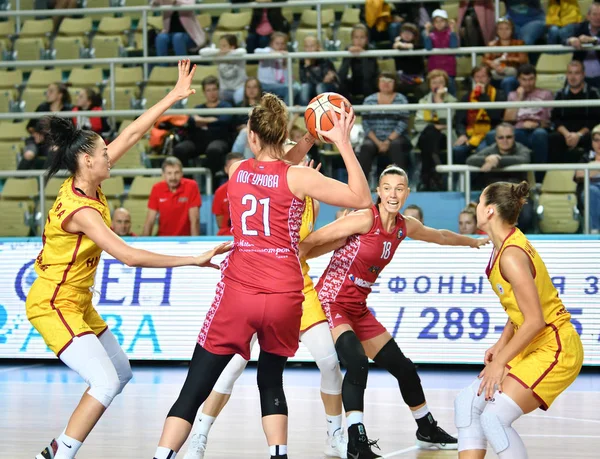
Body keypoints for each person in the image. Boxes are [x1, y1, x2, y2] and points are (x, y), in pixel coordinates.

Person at [29, 60, 232, 459]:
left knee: (120, 373)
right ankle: (58, 454)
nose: (111, 155)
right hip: (53, 303)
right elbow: (127, 255)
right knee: (104, 383)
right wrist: (191, 259)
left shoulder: (88, 175)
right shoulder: (81, 210)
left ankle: (58, 448)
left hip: (77, 301)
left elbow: (135, 131)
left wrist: (173, 96)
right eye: (104, 153)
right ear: (88, 160)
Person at [152, 94, 372, 459]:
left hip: (240, 291)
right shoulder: (300, 178)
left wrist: (305, 142)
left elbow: (271, 169)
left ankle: (165, 455)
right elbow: (361, 197)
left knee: (194, 388)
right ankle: (278, 454)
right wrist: (341, 142)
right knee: (271, 379)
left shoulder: (238, 171)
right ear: (283, 131)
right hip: (285, 295)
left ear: (252, 137)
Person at [300, 165, 489, 458]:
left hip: (358, 308)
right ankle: (355, 440)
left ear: (407, 193)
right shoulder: (364, 219)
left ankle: (426, 428)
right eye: (387, 188)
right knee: (357, 361)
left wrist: (472, 241)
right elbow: (313, 241)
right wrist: (291, 267)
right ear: (378, 192)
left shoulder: (404, 225)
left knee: (404, 368)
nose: (393, 194)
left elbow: (438, 235)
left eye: (399, 188)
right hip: (332, 302)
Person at [185, 154, 346, 459]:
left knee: (330, 363)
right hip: (255, 286)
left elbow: (305, 249)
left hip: (297, 288)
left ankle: (334, 434)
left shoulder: (312, 199)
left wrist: (338, 235)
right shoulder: (260, 188)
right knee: (231, 369)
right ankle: (200, 435)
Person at [455, 180, 584, 458]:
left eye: (479, 201)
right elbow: (519, 310)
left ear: (489, 211)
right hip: (534, 342)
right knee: (467, 403)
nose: (476, 207)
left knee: (493, 419)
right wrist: (501, 345)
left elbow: (535, 319)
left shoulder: (511, 256)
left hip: (555, 346)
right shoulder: (502, 246)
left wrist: (500, 362)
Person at [359, 72, 411, 179]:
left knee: (396, 145)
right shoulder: (369, 100)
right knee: (366, 146)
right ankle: (361, 184)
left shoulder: (401, 100)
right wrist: (378, 143)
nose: (386, 84)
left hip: (396, 138)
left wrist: (388, 140)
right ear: (378, 83)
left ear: (395, 84)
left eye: (389, 82)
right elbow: (365, 123)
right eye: (383, 81)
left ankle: (400, 182)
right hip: (374, 138)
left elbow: (403, 122)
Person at [549, 60, 600, 164]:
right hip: (565, 133)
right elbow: (555, 118)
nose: (573, 77)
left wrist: (578, 135)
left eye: (576, 73)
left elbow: (595, 119)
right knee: (553, 138)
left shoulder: (593, 93)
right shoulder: (560, 94)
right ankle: (554, 174)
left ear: (583, 74)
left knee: (593, 137)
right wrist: (567, 134)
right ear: (566, 74)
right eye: (570, 73)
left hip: (584, 132)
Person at [414, 69, 457, 191]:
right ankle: (435, 177)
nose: (437, 85)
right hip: (426, 136)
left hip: (446, 137)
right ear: (429, 85)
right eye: (434, 82)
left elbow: (448, 121)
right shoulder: (423, 101)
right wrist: (435, 126)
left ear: (446, 85)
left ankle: (426, 178)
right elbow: (418, 125)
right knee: (430, 132)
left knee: (430, 133)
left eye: (440, 82)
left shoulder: (452, 101)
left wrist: (439, 100)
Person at [454, 65, 506, 161]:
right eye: (477, 77)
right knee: (457, 150)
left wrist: (483, 96)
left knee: (481, 150)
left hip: (491, 134)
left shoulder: (500, 95)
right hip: (471, 134)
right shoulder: (466, 97)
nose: (480, 80)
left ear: (489, 78)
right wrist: (462, 134)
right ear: (473, 79)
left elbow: (496, 116)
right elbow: (459, 120)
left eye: (483, 76)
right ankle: (460, 176)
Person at [143, 156, 201, 237]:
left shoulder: (191, 186)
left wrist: (195, 244)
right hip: (163, 240)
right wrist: (144, 245)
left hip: (185, 240)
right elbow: (150, 221)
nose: (173, 177)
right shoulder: (157, 188)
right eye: (169, 173)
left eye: (176, 173)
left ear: (181, 173)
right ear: (163, 174)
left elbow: (195, 220)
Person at [482, 17, 528, 96]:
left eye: (507, 29)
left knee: (508, 81)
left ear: (512, 30)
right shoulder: (492, 44)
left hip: (513, 74)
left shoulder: (519, 43)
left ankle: (509, 106)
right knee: (485, 78)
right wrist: (492, 64)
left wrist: (508, 59)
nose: (504, 32)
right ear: (497, 31)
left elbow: (523, 59)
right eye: (500, 29)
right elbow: (485, 60)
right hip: (496, 72)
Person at [199, 34, 247, 105]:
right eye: (220, 46)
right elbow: (202, 52)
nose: (221, 48)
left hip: (239, 88)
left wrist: (227, 52)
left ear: (232, 46)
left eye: (224, 46)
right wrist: (219, 52)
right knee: (220, 99)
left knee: (239, 96)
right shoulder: (219, 55)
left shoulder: (239, 56)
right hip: (224, 89)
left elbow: (242, 51)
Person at [423, 9, 458, 95]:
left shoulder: (451, 34)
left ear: (446, 22)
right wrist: (427, 32)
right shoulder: (431, 35)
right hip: (434, 70)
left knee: (450, 93)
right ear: (433, 23)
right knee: (434, 94)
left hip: (448, 70)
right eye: (436, 21)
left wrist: (453, 30)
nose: (439, 23)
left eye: (442, 21)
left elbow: (454, 46)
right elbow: (428, 48)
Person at [212, 152, 244, 236]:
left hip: (249, 238)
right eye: (233, 167)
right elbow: (220, 223)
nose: (237, 171)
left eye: (240, 167)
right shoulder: (220, 192)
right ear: (226, 169)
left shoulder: (255, 189)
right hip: (226, 236)